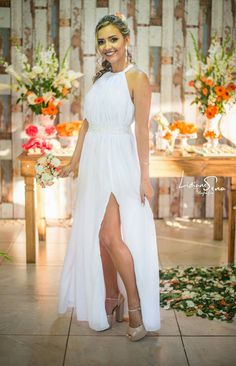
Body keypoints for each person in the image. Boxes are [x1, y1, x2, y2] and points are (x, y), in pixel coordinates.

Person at [58, 13, 161, 342]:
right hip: (93, 163)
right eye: (102, 41)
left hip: (119, 160)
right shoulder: (99, 81)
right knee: (100, 238)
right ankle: (110, 299)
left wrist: (145, 176)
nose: (107, 46)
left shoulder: (137, 78)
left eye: (113, 39)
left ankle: (135, 308)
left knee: (111, 235)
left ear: (127, 40)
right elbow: (87, 124)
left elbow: (143, 131)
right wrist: (74, 161)